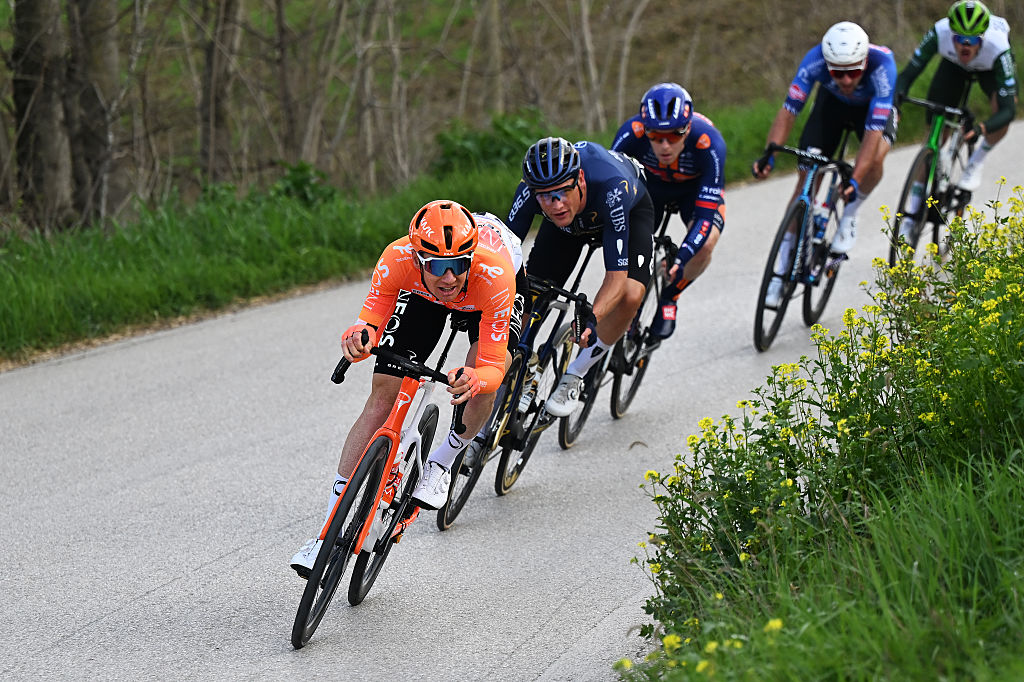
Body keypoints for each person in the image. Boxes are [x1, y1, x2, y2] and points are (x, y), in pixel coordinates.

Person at [290, 200, 527, 577]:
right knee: (382, 397)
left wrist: (476, 379)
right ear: (418, 259)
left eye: (457, 265)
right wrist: (358, 339)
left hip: (486, 297)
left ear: (470, 258)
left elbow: (494, 367)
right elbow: (370, 321)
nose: (448, 277)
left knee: (480, 385)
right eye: (436, 266)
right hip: (422, 298)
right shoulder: (396, 258)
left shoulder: (494, 273)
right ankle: (326, 534)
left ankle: (443, 461)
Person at [752, 21, 897, 307]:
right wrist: (770, 154)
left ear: (864, 62)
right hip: (831, 106)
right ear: (827, 65)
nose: (846, 80)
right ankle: (780, 272)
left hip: (871, 111)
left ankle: (850, 215)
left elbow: (872, 135)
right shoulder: (815, 59)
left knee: (876, 159)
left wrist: (855, 180)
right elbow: (789, 110)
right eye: (837, 73)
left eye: (853, 72)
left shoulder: (883, 67)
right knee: (806, 176)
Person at [506, 136, 654, 417]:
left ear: (580, 180)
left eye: (562, 191)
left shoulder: (612, 188)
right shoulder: (530, 192)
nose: (555, 203)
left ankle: (576, 374)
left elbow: (616, 277)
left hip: (627, 214)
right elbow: (503, 253)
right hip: (567, 227)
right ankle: (523, 363)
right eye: (545, 196)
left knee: (630, 294)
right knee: (528, 292)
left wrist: (593, 316)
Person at [611, 82, 727, 339]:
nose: (665, 145)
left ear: (688, 129)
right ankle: (627, 297)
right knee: (630, 239)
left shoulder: (709, 143)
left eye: (674, 135)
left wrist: (684, 256)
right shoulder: (631, 133)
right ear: (645, 129)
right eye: (655, 135)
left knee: (706, 244)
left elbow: (705, 217)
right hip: (651, 188)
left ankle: (670, 297)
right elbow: (609, 181)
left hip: (693, 191)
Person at [894, 0, 1017, 232]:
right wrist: (896, 102)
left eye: (973, 40)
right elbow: (907, 75)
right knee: (934, 135)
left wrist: (981, 129)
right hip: (953, 67)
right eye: (960, 38)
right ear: (951, 34)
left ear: (983, 37)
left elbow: (1008, 110)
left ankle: (975, 164)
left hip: (989, 69)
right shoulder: (939, 32)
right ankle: (912, 212)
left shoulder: (998, 47)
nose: (965, 46)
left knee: (1001, 112)